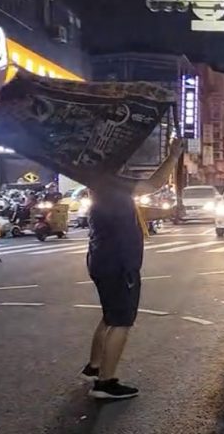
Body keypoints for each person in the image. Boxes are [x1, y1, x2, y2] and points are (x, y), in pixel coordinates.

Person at [78, 139, 182, 400]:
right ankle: (105, 382)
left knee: (109, 316)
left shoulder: (99, 183)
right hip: (119, 263)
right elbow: (154, 184)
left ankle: (94, 367)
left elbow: (129, 212)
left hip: (101, 259)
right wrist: (172, 156)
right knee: (122, 322)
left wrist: (162, 214)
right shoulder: (112, 181)